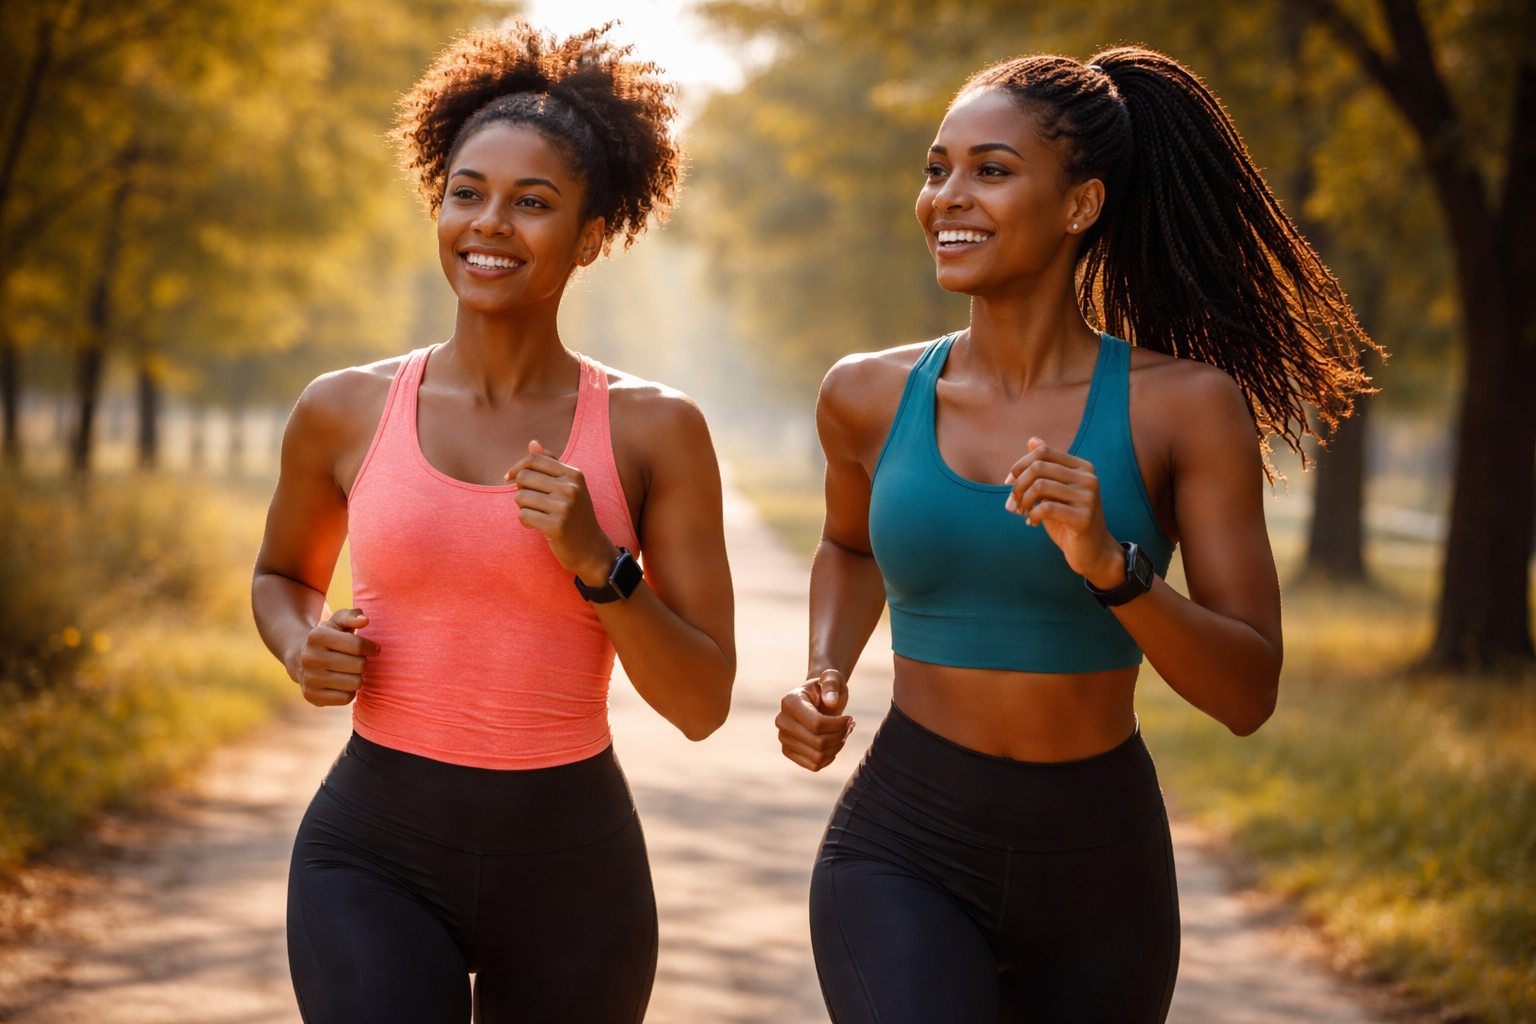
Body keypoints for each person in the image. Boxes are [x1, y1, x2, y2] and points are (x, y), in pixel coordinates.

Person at [776, 48, 1371, 1024]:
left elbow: (1248, 692)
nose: (947, 197)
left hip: (1102, 873)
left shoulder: (1183, 410)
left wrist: (1113, 569)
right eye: (937, 168)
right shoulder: (865, 394)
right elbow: (848, 547)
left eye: (991, 170)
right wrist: (824, 669)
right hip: (903, 845)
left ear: (1080, 205)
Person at [251, 22, 735, 1024]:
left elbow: (700, 700)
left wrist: (601, 564)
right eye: (468, 192)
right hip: (370, 854)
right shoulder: (344, 408)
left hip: (574, 873)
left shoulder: (655, 430)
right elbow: (281, 575)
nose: (490, 224)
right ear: (438, 201)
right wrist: (302, 641)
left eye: (534, 203)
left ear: (594, 235)